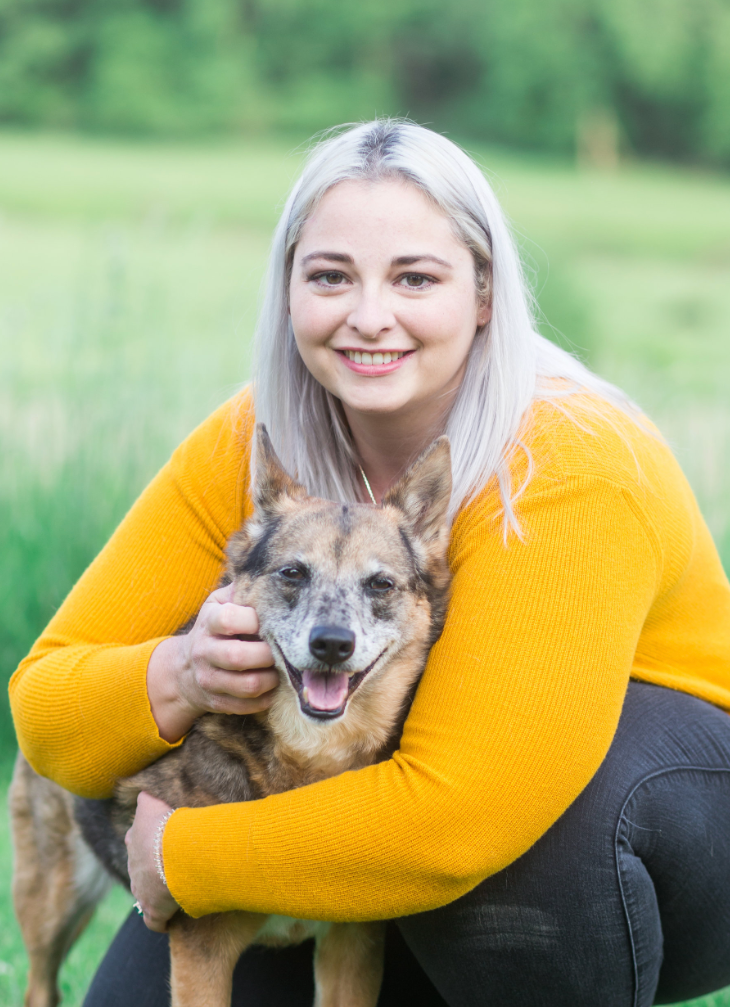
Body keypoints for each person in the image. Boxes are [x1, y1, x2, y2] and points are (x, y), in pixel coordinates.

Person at [10, 119, 730, 1007]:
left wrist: (183, 858)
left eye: (415, 278)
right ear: (287, 294)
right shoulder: (251, 443)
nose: (368, 315)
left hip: (660, 823)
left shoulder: (572, 462)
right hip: (374, 816)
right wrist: (183, 670)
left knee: (523, 867)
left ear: (484, 294)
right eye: (330, 276)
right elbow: (47, 709)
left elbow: (455, 821)